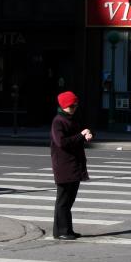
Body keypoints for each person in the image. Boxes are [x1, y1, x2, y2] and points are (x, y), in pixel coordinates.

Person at [50, 91, 93, 241]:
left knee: (68, 201)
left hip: (74, 165)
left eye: (75, 105)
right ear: (63, 105)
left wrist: (85, 136)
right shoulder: (59, 121)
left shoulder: (71, 119)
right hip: (64, 166)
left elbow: (75, 139)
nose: (74, 108)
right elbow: (61, 142)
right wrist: (81, 135)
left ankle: (66, 229)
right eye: (71, 106)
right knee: (63, 201)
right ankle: (61, 231)